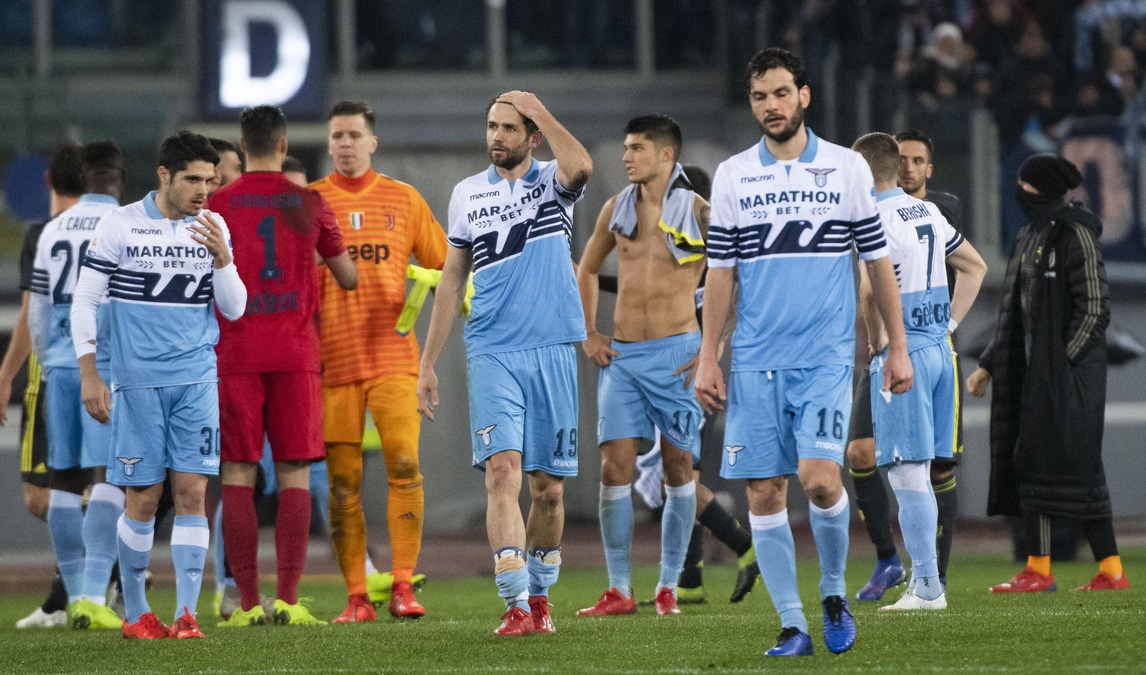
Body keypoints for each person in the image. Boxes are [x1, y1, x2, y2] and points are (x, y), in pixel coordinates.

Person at [693, 47, 913, 658]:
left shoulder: (846, 168)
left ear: (804, 96)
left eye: (781, 93)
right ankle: (793, 625)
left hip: (824, 357)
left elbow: (877, 263)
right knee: (764, 493)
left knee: (818, 480)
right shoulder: (735, 174)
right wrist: (709, 355)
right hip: (755, 360)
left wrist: (898, 347)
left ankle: (834, 591)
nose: (771, 105)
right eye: (760, 96)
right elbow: (721, 273)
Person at [418, 91, 593, 636]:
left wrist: (539, 109)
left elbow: (583, 166)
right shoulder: (467, 193)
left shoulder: (554, 182)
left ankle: (540, 597)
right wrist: (428, 361)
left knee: (548, 490)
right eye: (491, 126)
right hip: (491, 350)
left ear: (533, 135)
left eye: (509, 128)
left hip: (552, 347)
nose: (496, 136)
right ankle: (515, 603)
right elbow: (452, 279)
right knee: (501, 473)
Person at [72, 130, 247, 639]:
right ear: (164, 175)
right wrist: (90, 373)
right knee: (143, 500)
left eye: (209, 181)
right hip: (137, 385)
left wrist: (223, 259)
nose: (203, 191)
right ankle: (137, 613)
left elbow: (235, 308)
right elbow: (85, 301)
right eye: (192, 180)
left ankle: (187, 615)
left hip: (196, 381)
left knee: (192, 493)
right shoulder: (121, 224)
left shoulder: (213, 227)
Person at [209, 105, 357, 627]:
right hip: (296, 353)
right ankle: (290, 601)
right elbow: (348, 278)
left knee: (237, 472)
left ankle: (248, 603)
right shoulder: (310, 202)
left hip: (236, 352)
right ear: (284, 143)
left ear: (241, 146)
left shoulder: (218, 203)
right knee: (295, 472)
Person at [968, 154, 1128, 593]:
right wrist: (988, 364)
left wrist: (1060, 366)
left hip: (1067, 379)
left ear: (1038, 188)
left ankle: (1041, 570)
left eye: (1023, 184)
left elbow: (1094, 309)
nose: (1018, 191)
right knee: (1070, 470)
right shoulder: (1028, 236)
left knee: (1047, 464)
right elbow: (1015, 316)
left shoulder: (1076, 235)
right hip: (1033, 377)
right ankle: (1109, 571)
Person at [310, 100, 445, 622]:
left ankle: (404, 586)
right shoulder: (309, 202)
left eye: (353, 135)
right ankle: (357, 598)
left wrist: (438, 284)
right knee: (342, 484)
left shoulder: (404, 199)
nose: (344, 143)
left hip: (394, 356)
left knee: (405, 465)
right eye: (337, 135)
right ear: (328, 144)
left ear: (373, 142)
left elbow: (445, 264)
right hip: (332, 363)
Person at [573, 114, 706, 617]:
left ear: (666, 155)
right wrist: (589, 332)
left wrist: (711, 348)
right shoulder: (615, 207)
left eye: (637, 148)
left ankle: (668, 586)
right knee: (614, 469)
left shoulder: (700, 211)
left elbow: (732, 277)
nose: (626, 156)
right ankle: (619, 589)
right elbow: (587, 268)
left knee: (678, 468)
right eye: (626, 147)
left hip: (678, 356)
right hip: (625, 358)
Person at [850, 132, 986, 611]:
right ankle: (927, 583)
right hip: (938, 351)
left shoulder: (873, 218)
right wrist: (949, 325)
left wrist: (877, 342)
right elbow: (975, 266)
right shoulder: (926, 210)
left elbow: (870, 291)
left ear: (862, 172)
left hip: (902, 352)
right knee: (922, 471)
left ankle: (927, 586)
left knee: (907, 473)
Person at [627, 165, 761, 606]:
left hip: (687, 377)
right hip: (682, 373)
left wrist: (711, 352)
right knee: (680, 479)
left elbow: (733, 299)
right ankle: (689, 579)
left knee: (677, 479)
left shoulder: (706, 252)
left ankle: (746, 547)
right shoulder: (686, 251)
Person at [28, 140, 127, 631]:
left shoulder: (53, 229)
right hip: (104, 367)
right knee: (108, 477)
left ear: (84, 177)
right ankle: (90, 594)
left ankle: (73, 598)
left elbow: (39, 311)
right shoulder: (125, 223)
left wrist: (49, 363)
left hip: (62, 367)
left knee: (63, 480)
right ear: (119, 177)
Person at [3, 141, 83, 629]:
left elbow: (30, 316)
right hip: (90, 373)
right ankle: (85, 581)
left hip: (54, 375)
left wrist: (5, 374)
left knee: (48, 494)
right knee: (60, 494)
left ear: (48, 180)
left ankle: (87, 582)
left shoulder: (44, 234)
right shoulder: (108, 227)